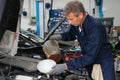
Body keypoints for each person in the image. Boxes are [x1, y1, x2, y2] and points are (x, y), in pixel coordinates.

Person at [49, 1, 116, 80]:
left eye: (71, 19)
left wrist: (66, 66)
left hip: (102, 65)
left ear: (80, 15)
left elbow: (90, 57)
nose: (69, 22)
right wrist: (60, 36)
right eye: (68, 19)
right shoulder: (77, 24)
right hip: (91, 63)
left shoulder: (95, 28)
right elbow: (71, 34)